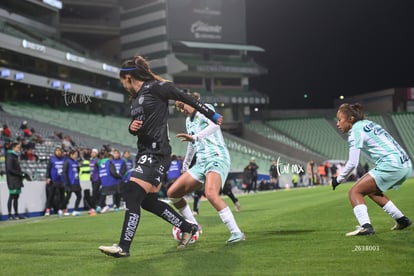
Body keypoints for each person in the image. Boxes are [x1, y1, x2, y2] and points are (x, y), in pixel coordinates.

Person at [99, 55, 222, 257]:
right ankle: (188, 228)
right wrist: (132, 128)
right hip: (145, 152)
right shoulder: (135, 100)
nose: (123, 86)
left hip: (157, 152)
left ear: (128, 78)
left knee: (131, 191)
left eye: (122, 82)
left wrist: (212, 115)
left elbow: (184, 96)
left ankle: (124, 247)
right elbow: (138, 127)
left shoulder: (156, 87)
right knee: (147, 201)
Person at [167, 91, 245, 244]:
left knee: (210, 193)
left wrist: (195, 137)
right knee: (173, 193)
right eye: (179, 108)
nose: (182, 110)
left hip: (217, 157)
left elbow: (215, 124)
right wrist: (186, 164)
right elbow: (191, 143)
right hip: (201, 163)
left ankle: (237, 232)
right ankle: (193, 226)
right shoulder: (189, 121)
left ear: (190, 101)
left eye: (182, 106)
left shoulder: (205, 108)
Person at [332, 103, 412, 236]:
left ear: (351, 119)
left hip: (391, 164)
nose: (337, 124)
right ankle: (402, 220)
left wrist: (338, 179)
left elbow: (353, 163)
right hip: (405, 164)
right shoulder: (368, 124)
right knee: (372, 191)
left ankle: (366, 226)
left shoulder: (355, 131)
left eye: (340, 120)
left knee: (354, 192)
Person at [5, 142, 31, 220]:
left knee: (16, 197)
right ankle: (9, 215)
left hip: (16, 179)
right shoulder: (10, 156)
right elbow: (10, 169)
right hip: (12, 180)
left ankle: (16, 214)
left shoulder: (14, 156)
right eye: (17, 147)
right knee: (12, 196)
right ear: (13, 148)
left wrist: (22, 174)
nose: (19, 149)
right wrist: (20, 174)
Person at [45, 147, 66, 216]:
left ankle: (63, 209)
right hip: (53, 180)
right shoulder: (52, 159)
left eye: (59, 151)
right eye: (57, 151)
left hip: (62, 180)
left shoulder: (64, 159)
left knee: (62, 196)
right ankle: (47, 210)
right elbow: (48, 168)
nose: (58, 152)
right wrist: (48, 177)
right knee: (50, 196)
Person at [62, 149, 82, 216]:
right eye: (75, 154)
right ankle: (63, 209)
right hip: (70, 182)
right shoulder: (67, 162)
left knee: (79, 196)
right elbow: (64, 172)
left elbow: (77, 171)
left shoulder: (75, 162)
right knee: (68, 197)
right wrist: (67, 182)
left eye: (77, 155)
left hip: (76, 182)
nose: (76, 156)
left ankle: (75, 210)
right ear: (71, 155)